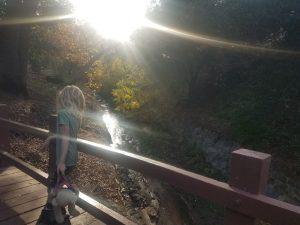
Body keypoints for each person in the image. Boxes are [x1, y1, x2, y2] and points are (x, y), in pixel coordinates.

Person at [45, 85, 85, 219]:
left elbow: (66, 139)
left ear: (64, 98)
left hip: (65, 158)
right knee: (64, 184)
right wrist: (52, 137)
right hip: (73, 158)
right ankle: (66, 206)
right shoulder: (76, 116)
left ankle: (59, 211)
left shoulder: (62, 114)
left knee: (57, 186)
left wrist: (61, 161)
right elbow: (67, 135)